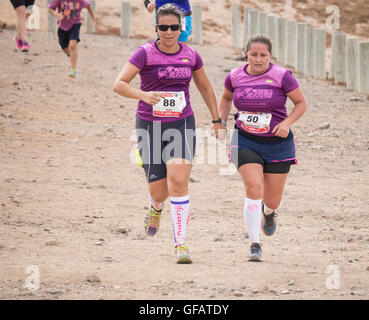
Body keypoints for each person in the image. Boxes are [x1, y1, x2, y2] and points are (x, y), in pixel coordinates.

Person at [114, 4, 224, 264]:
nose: (169, 32)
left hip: (181, 124)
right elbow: (118, 84)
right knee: (159, 192)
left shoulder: (191, 55)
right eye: (163, 27)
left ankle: (181, 244)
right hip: (149, 126)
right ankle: (155, 208)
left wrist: (217, 119)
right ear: (156, 28)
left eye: (174, 27)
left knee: (178, 182)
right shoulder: (144, 54)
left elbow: (206, 88)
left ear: (181, 28)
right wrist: (143, 95)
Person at [218, 34, 307, 262]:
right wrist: (220, 122)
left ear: (270, 55)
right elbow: (226, 98)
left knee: (271, 200)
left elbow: (300, 103)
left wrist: (287, 124)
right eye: (254, 54)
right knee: (253, 189)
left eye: (263, 55)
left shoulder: (281, 76)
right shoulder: (234, 76)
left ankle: (268, 214)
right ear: (246, 53)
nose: (258, 59)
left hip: (277, 143)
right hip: (245, 139)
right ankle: (254, 244)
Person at [48, 0, 98, 78]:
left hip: (75, 25)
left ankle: (73, 70)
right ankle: (69, 54)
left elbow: (89, 6)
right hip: (62, 27)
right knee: (64, 48)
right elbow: (50, 8)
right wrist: (56, 14)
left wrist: (94, 20)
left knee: (72, 46)